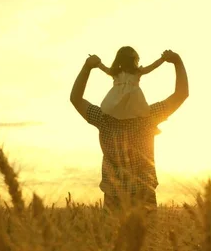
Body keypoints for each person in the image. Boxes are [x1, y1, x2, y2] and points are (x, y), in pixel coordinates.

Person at [69, 49, 189, 214]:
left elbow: (75, 98)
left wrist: (87, 67)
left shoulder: (103, 119)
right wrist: (177, 61)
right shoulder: (148, 118)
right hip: (144, 194)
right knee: (148, 239)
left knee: (114, 239)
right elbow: (181, 94)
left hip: (113, 195)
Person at [97, 46, 165, 120]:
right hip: (119, 100)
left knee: (133, 113)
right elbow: (103, 67)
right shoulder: (116, 72)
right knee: (117, 110)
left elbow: (152, 66)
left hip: (132, 99)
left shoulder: (137, 72)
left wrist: (162, 59)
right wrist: (97, 62)